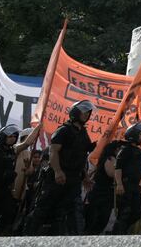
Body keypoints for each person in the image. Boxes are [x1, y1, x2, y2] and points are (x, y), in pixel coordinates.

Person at [26, 100, 95, 235]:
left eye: (88, 112)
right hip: (57, 178)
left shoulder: (83, 133)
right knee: (42, 210)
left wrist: (85, 176)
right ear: (76, 113)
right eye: (84, 112)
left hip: (74, 180)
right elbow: (53, 151)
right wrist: (58, 171)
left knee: (70, 213)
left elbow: (80, 157)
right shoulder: (63, 130)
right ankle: (26, 238)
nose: (86, 115)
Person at [111, 123, 141, 234]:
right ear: (134, 135)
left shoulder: (138, 151)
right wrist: (119, 184)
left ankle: (122, 231)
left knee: (137, 212)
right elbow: (118, 168)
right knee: (125, 212)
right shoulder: (125, 150)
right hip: (126, 185)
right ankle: (117, 235)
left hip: (135, 186)